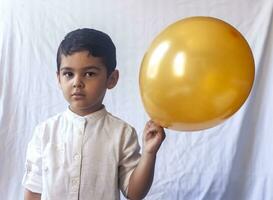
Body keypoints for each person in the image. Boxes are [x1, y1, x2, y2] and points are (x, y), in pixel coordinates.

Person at [22, 28, 165, 200]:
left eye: (89, 74)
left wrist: (149, 153)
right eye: (68, 74)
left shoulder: (122, 133)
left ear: (112, 79)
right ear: (58, 78)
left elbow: (134, 193)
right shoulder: (44, 132)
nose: (77, 83)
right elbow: (33, 190)